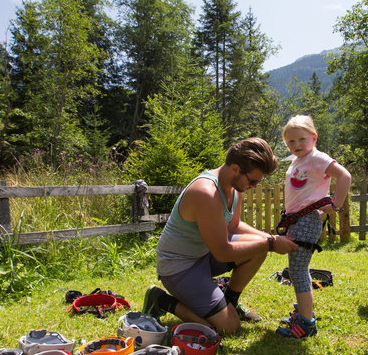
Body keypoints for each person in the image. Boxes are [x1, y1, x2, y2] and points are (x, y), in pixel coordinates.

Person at [142, 137, 298, 335]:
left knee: (260, 245)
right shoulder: (206, 193)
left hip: (204, 256)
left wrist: (269, 238)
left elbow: (233, 226)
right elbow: (223, 252)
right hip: (179, 268)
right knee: (229, 328)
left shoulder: (235, 187)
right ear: (235, 168)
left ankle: (230, 301)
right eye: (253, 181)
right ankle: (161, 300)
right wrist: (271, 244)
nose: (254, 186)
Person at [276, 115, 351, 339]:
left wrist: (336, 204)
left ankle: (306, 323)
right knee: (300, 269)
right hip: (296, 220)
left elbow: (344, 176)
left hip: (307, 220)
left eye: (302, 139)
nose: (296, 145)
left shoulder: (317, 158)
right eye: (291, 142)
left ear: (314, 138)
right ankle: (303, 312)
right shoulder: (297, 161)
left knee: (297, 270)